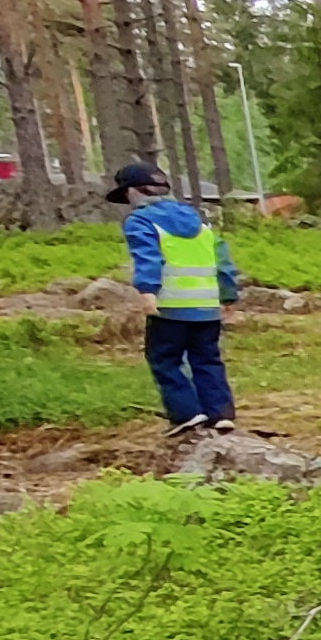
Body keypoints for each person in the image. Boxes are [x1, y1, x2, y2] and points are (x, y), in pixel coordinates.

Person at [111, 162, 243, 436]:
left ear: (134, 192)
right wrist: (228, 294)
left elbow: (148, 257)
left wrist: (147, 291)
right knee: (207, 359)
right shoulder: (198, 220)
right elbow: (221, 258)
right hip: (206, 307)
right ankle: (220, 413)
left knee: (164, 360)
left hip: (169, 307)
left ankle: (187, 413)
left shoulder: (140, 221)